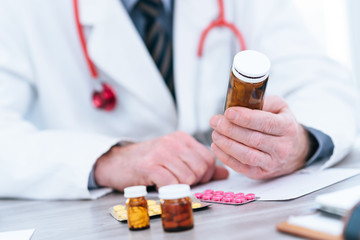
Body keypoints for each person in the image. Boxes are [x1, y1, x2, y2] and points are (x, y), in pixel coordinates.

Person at [0, 0, 356, 200]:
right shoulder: (23, 10)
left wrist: (299, 142)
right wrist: (105, 158)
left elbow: (324, 85)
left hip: (235, 217)